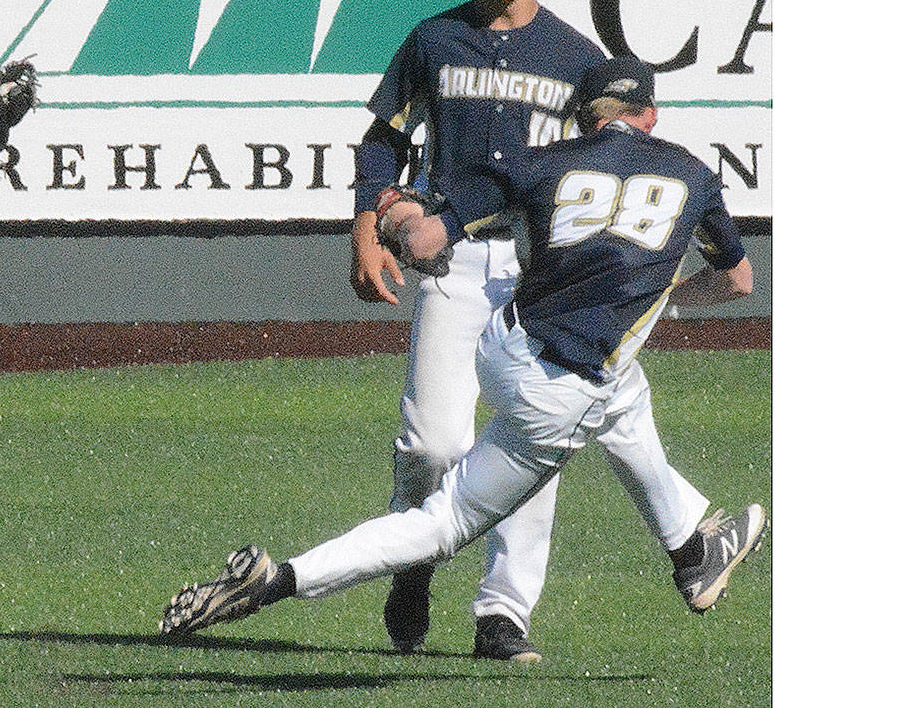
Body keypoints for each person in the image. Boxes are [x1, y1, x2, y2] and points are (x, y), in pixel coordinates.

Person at [160, 57, 767, 646]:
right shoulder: (691, 174)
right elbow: (738, 282)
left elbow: (424, 238)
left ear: (583, 118)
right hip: (560, 391)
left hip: (505, 344)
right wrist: (673, 295)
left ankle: (692, 550)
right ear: (651, 116)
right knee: (445, 522)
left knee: (626, 397)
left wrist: (394, 217)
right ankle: (279, 580)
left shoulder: (541, 164)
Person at [350, 0, 711, 661]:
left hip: (542, 269)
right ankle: (411, 559)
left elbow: (615, 154)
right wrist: (364, 227)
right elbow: (383, 137)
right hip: (450, 261)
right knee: (435, 445)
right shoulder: (436, 40)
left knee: (531, 442)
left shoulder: (578, 59)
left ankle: (503, 612)